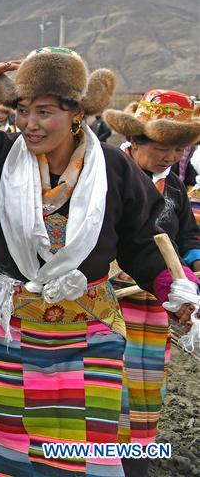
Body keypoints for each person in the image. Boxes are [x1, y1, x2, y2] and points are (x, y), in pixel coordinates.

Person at [0, 47, 199, 477]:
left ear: (76, 112)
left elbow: (142, 244)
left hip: (89, 329)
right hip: (13, 328)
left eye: (44, 111)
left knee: (88, 444)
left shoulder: (114, 168)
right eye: (22, 110)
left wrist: (172, 290)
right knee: (2, 438)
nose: (29, 124)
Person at [103, 89, 200, 477]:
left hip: (155, 303)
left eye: (179, 149)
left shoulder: (173, 185)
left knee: (147, 383)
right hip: (108, 300)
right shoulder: (107, 173)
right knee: (111, 381)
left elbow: (187, 236)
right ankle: (100, 457)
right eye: (165, 146)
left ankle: (135, 460)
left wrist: (192, 266)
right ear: (138, 138)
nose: (173, 157)